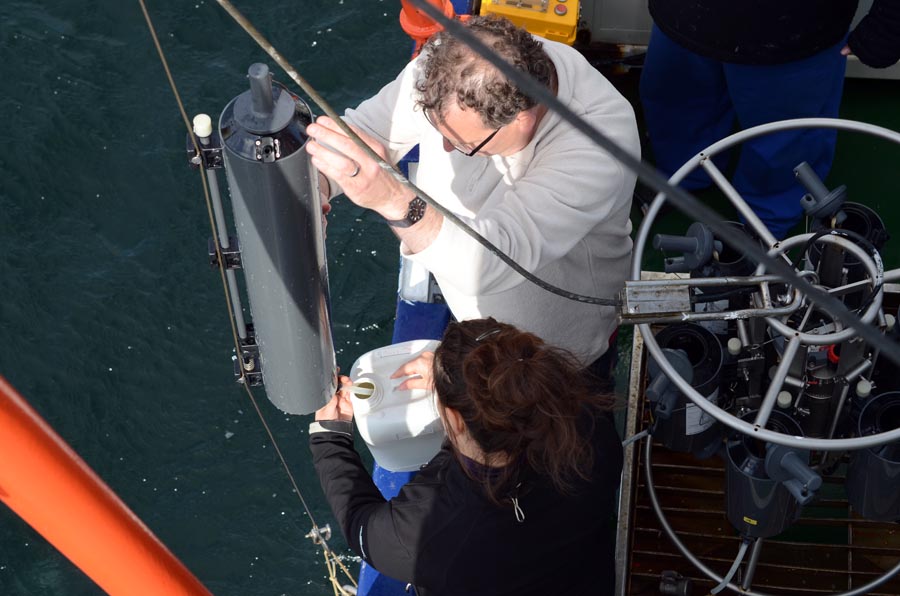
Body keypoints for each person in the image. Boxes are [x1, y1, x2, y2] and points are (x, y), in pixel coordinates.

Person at [306, 15, 640, 375]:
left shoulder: (599, 146)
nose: (445, 147)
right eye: (436, 129)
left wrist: (393, 199)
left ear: (521, 119)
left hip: (554, 355)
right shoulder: (453, 63)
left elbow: (491, 262)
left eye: (464, 143)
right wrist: (320, 186)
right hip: (477, 328)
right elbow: (372, 130)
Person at [309, 318, 624, 596]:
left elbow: (361, 527)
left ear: (456, 420)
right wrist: (462, 384)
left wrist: (330, 436)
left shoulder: (429, 533)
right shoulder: (590, 427)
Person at [639, 1, 900, 240]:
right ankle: (682, 176)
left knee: (783, 143)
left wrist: (889, 21)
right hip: (681, 17)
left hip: (796, 31)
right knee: (676, 106)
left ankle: (765, 221)